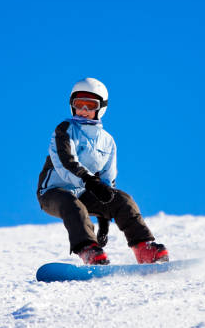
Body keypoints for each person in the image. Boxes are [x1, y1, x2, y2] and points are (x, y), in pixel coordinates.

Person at [37, 78, 169, 265]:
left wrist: (104, 220)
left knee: (123, 200)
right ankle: (88, 250)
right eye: (78, 104)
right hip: (53, 192)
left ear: (101, 108)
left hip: (83, 192)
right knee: (73, 205)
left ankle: (143, 248)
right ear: (72, 106)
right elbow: (66, 162)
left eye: (90, 105)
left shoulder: (107, 141)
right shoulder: (65, 129)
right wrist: (90, 182)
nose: (83, 110)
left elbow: (107, 184)